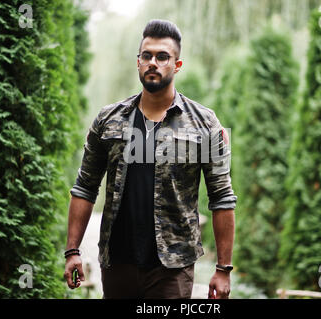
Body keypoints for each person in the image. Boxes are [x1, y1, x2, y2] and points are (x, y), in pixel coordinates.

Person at [63, 19, 237, 299]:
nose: (153, 62)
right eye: (147, 55)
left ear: (177, 65)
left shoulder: (204, 124)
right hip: (117, 263)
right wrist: (73, 250)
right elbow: (84, 187)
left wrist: (223, 268)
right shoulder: (108, 120)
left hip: (172, 269)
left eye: (162, 56)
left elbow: (222, 198)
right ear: (138, 61)